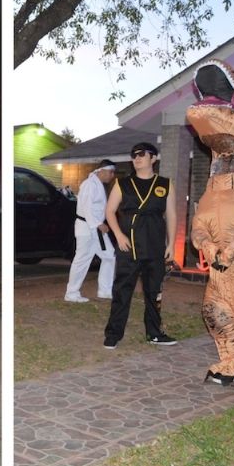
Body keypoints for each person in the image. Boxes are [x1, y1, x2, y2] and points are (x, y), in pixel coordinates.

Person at [102, 142, 177, 349]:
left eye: (142, 154)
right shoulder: (122, 184)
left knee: (153, 292)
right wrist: (118, 235)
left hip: (154, 245)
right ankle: (113, 334)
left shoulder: (165, 184)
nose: (137, 158)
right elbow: (109, 211)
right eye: (134, 155)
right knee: (122, 291)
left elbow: (171, 214)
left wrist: (171, 243)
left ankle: (154, 332)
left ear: (153, 158)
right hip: (130, 245)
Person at [64, 159, 116, 302]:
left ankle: (105, 290)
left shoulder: (97, 185)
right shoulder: (89, 185)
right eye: (111, 172)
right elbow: (86, 207)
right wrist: (99, 224)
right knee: (81, 260)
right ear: (102, 171)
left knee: (109, 256)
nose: (112, 175)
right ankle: (72, 293)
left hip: (96, 230)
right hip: (87, 229)